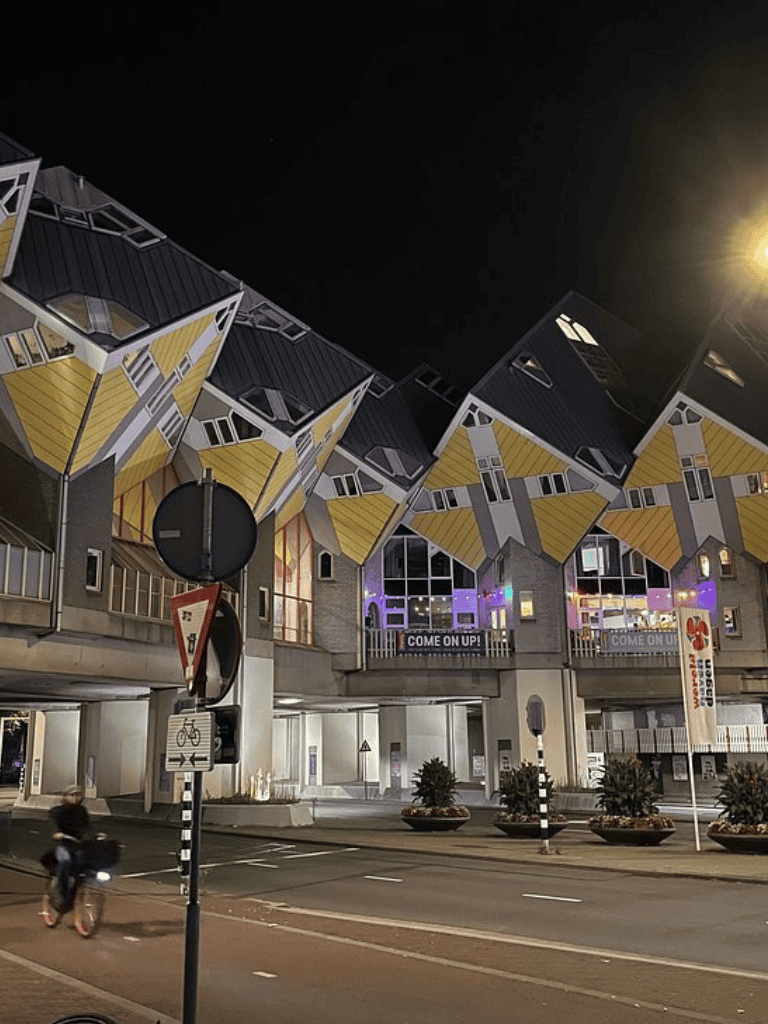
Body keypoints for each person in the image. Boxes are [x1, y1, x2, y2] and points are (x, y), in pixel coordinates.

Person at [49, 784, 90, 910]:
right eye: (72, 795)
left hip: (77, 845)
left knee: (86, 864)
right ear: (66, 796)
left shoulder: (82, 811)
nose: (76, 798)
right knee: (65, 861)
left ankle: (77, 890)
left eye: (78, 795)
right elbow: (52, 827)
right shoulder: (59, 812)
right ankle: (57, 890)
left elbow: (87, 827)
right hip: (64, 845)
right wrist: (57, 833)